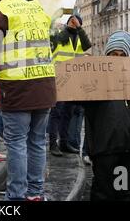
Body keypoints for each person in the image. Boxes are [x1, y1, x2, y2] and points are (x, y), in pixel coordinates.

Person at [0, 0, 56, 201]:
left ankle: (16, 196)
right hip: (45, 85)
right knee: (37, 141)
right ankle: (35, 193)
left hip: (16, 87)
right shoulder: (36, 6)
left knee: (16, 143)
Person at [81, 31, 130, 201]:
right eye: (114, 54)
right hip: (104, 148)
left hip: (128, 147)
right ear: (107, 55)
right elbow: (73, 99)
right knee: (102, 192)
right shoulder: (94, 81)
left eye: (122, 55)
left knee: (122, 193)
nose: (118, 59)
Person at [48, 14, 92, 156]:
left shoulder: (80, 40)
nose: (73, 22)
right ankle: (53, 143)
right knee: (56, 112)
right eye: (71, 21)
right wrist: (60, 21)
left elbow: (87, 45)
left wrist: (79, 28)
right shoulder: (60, 37)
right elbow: (53, 36)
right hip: (59, 80)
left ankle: (64, 142)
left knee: (68, 113)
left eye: (76, 21)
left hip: (73, 81)